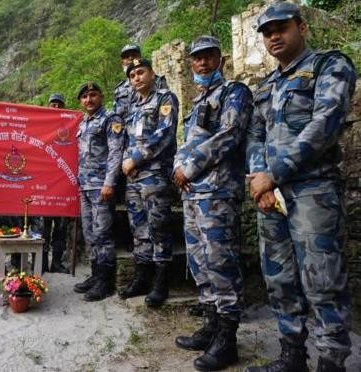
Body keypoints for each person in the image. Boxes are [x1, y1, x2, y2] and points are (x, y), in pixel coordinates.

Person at [245, 3, 357, 371]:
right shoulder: (265, 86)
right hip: (271, 197)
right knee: (279, 279)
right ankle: (292, 356)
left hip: (313, 192)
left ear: (301, 27)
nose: (273, 36)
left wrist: (272, 174)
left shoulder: (329, 65)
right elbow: (255, 136)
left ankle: (331, 362)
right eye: (266, 32)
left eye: (281, 28)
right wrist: (261, 182)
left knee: (323, 283)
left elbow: (324, 126)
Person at [172, 36, 253, 371]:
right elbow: (185, 143)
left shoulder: (235, 93)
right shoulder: (196, 104)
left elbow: (230, 135)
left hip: (217, 194)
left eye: (208, 57)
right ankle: (210, 325)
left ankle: (228, 340)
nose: (202, 64)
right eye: (196, 59)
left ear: (221, 59)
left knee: (221, 264)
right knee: (200, 264)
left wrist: (188, 167)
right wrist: (177, 166)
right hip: (193, 195)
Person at [118, 58, 178, 308]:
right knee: (138, 228)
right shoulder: (132, 107)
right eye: (132, 76)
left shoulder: (165, 99)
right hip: (133, 178)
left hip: (154, 173)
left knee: (158, 226)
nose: (137, 78)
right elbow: (127, 139)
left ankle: (161, 281)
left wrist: (134, 159)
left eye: (141, 72)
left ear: (152, 74)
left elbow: (164, 134)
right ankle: (142, 277)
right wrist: (125, 162)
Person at [73, 82, 124, 301]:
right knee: (90, 233)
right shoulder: (84, 122)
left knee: (103, 234)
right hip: (85, 185)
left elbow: (115, 153)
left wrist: (109, 183)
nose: (89, 100)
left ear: (101, 97)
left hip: (101, 186)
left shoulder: (110, 120)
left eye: (93, 95)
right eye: (84, 97)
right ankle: (95, 275)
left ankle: (106, 282)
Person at [42, 93, 71, 273]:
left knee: (60, 229)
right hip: (44, 187)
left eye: (59, 104)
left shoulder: (70, 127)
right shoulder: (41, 127)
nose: (56, 107)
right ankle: (43, 263)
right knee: (43, 230)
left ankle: (57, 262)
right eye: (53, 104)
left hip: (63, 187)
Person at [114, 44, 168, 123]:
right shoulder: (119, 90)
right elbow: (117, 119)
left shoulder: (157, 81)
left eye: (134, 55)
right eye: (126, 56)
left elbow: (165, 111)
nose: (131, 58)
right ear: (122, 63)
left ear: (140, 57)